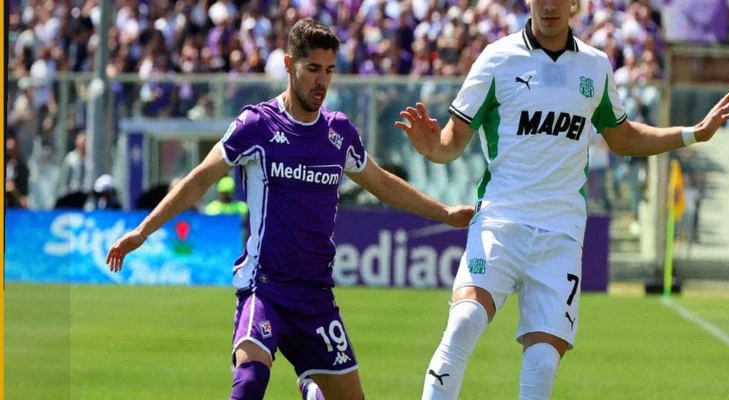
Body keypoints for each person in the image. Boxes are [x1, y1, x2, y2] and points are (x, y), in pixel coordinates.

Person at [105, 19, 473, 400]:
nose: (321, 81)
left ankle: (311, 389)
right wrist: (143, 230)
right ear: (288, 64)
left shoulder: (338, 133)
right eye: (312, 68)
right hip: (264, 288)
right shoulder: (256, 125)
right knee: (249, 383)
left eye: (328, 70)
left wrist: (445, 213)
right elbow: (200, 179)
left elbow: (382, 184)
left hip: (315, 297)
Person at [394, 0, 729, 396]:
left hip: (561, 232)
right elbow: (451, 144)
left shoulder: (595, 66)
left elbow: (623, 138)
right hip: (501, 220)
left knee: (543, 362)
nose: (549, 6)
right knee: (464, 322)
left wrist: (693, 133)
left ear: (575, 3)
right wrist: (431, 147)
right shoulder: (497, 58)